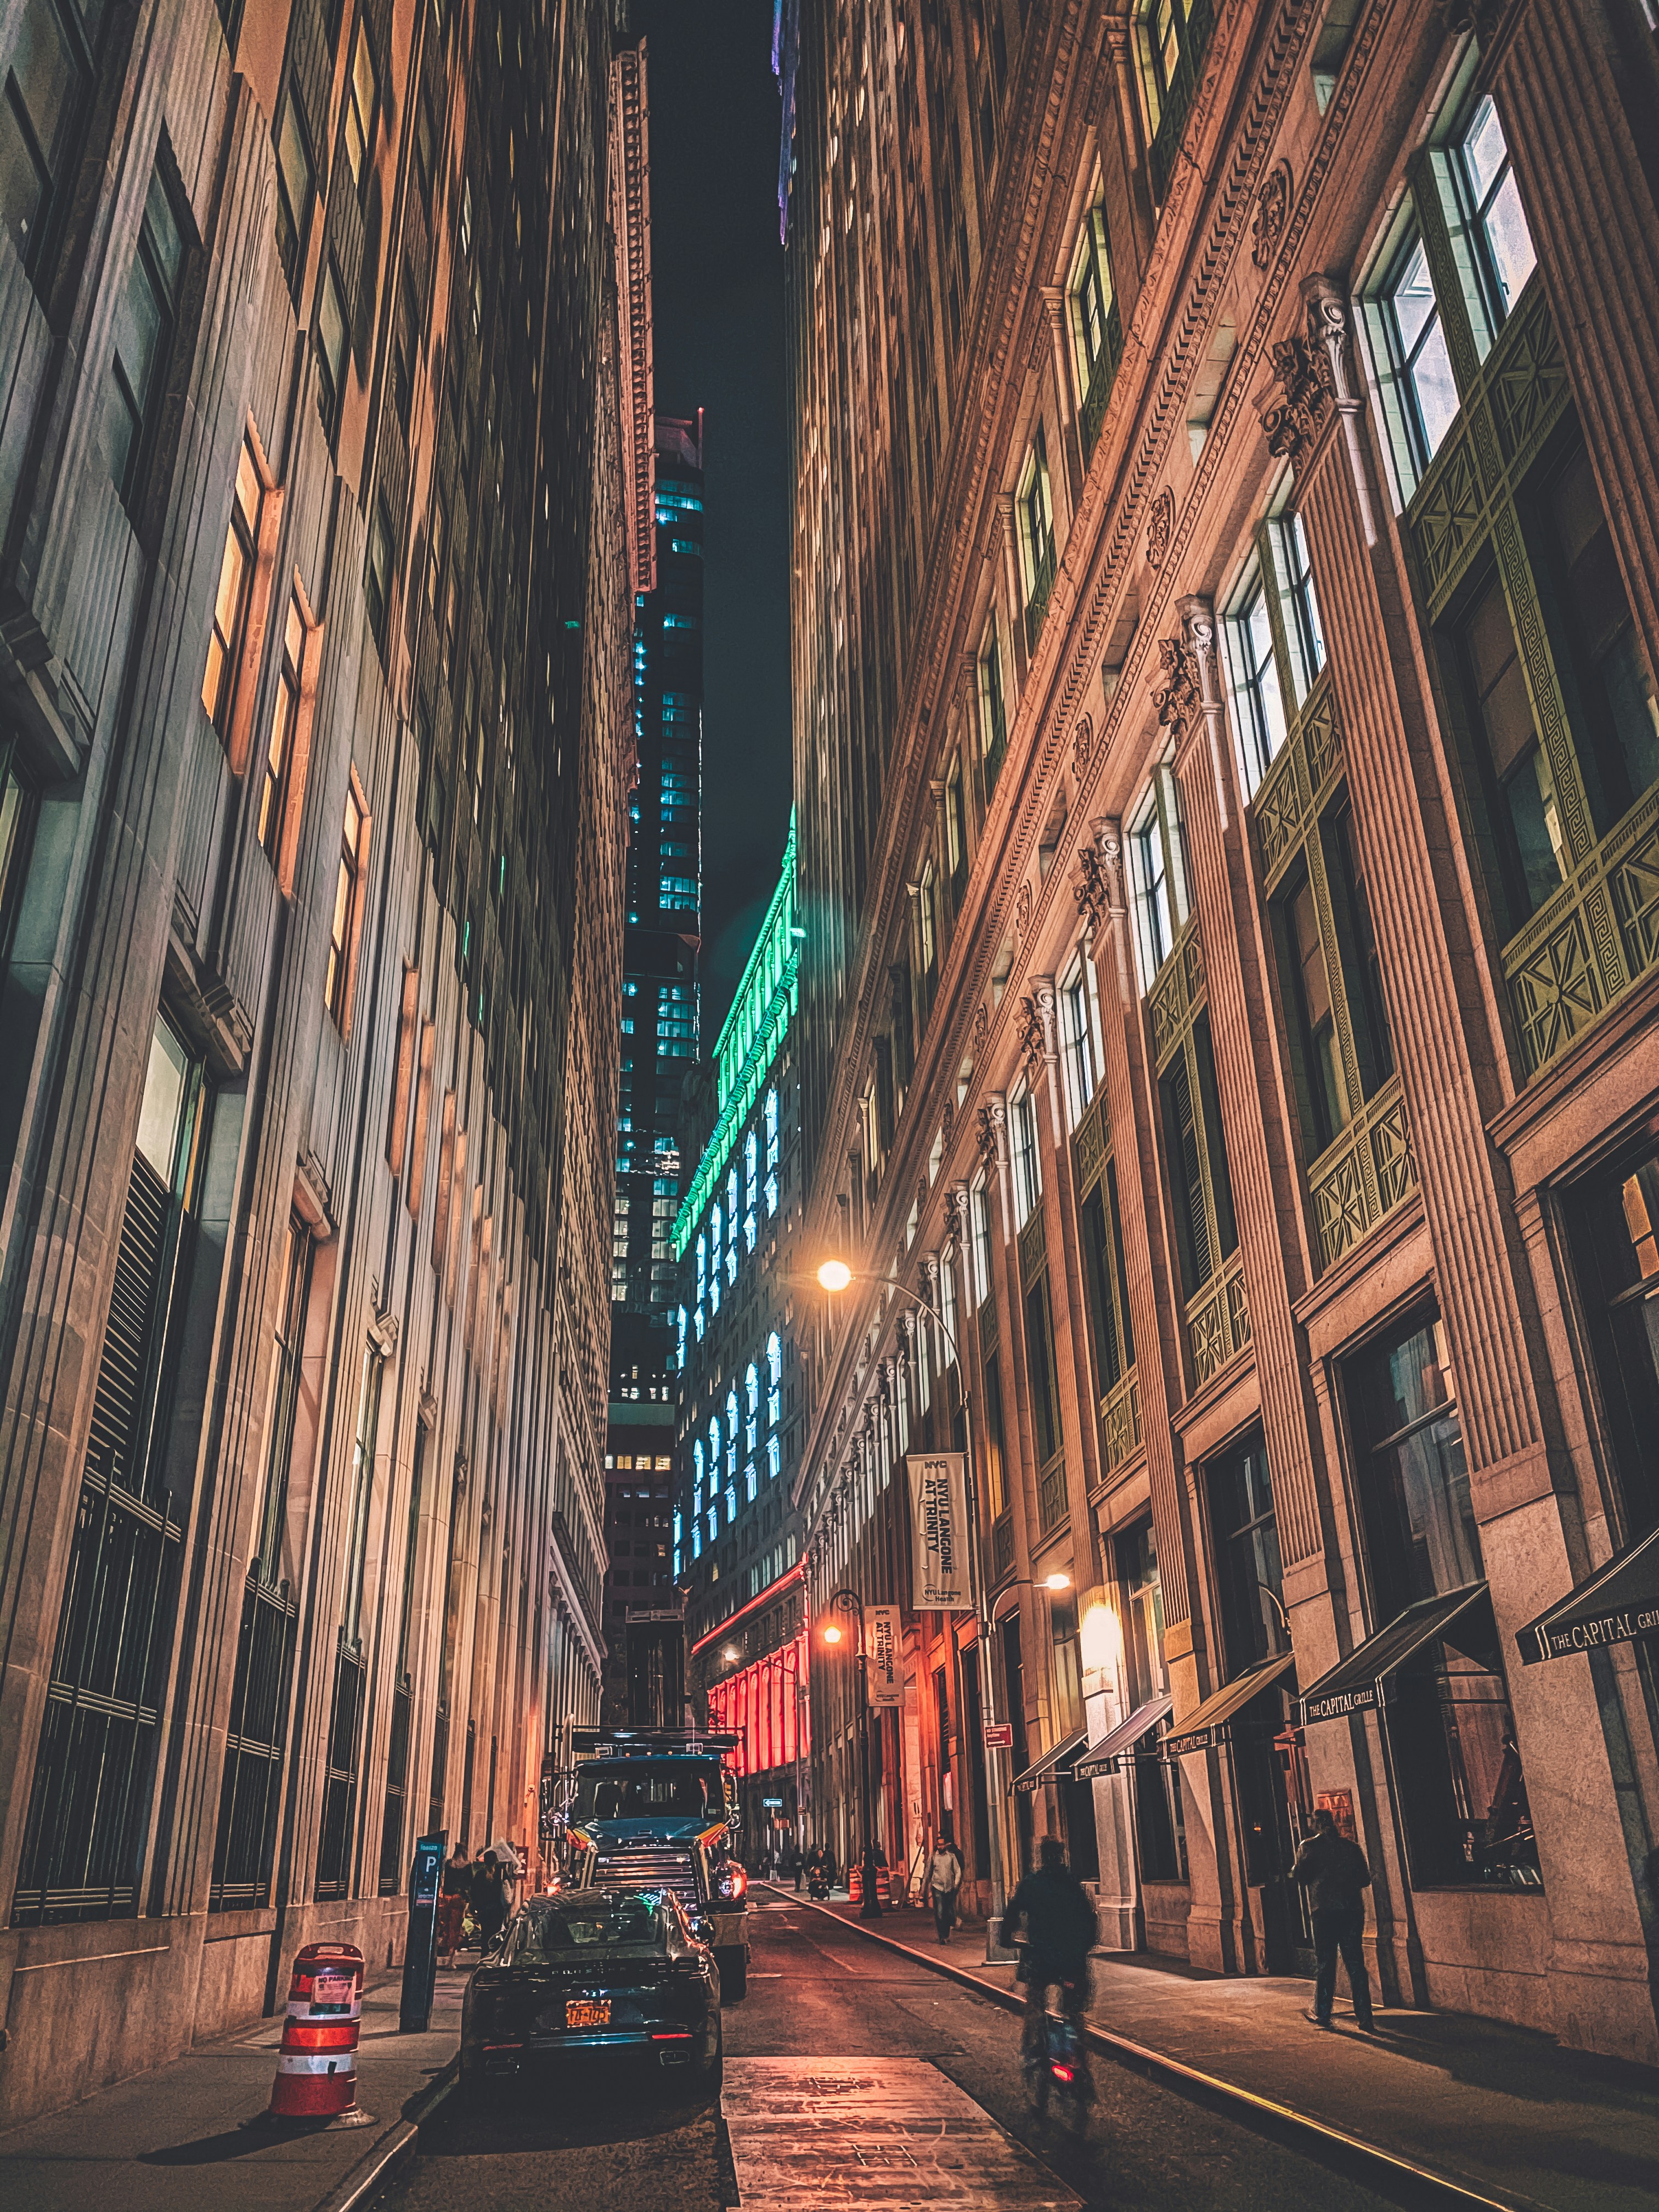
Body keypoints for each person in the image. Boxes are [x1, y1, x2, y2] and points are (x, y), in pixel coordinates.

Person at [1003, 1837, 1096, 2064]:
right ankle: (1078, 2056)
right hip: (1070, 1958)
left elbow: (1013, 1913)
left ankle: (1034, 2049)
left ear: (1042, 1858)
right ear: (1061, 1857)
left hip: (1041, 1956)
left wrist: (1006, 1938)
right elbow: (1090, 1921)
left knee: (1036, 2001)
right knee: (1074, 2009)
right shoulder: (1073, 1884)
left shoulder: (1033, 1883)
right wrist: (1084, 1948)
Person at [1290, 1807, 1376, 2032]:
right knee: (1356, 1963)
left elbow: (1300, 1876)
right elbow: (1365, 1879)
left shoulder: (1308, 1847)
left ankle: (1324, 2013)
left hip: (1324, 1912)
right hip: (1351, 1911)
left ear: (1316, 1824)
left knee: (1326, 1963)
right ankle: (1365, 2016)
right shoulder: (1351, 1848)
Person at [438, 1845, 471, 1969]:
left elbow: (443, 1879)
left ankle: (446, 1953)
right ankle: (451, 1958)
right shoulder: (467, 1866)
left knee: (445, 1926)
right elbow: (468, 1884)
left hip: (446, 1898)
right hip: (458, 1899)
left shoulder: (448, 1864)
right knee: (455, 1928)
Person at [928, 1831, 964, 1943]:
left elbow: (958, 1870)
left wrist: (956, 1883)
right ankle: (942, 1936)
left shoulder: (952, 1856)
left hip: (949, 1887)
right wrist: (925, 1888)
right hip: (937, 1887)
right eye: (938, 1845)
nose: (940, 1847)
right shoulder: (934, 1857)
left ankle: (948, 1931)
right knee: (940, 1911)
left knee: (948, 1910)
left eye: (942, 1844)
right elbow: (928, 1872)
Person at [470, 1849, 509, 1952]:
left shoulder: (480, 1874)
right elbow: (508, 1887)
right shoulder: (500, 1874)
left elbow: (474, 1891)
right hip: (496, 1909)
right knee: (495, 1932)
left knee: (486, 1932)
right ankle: (493, 1951)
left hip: (486, 1909)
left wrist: (476, 1906)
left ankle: (485, 1951)